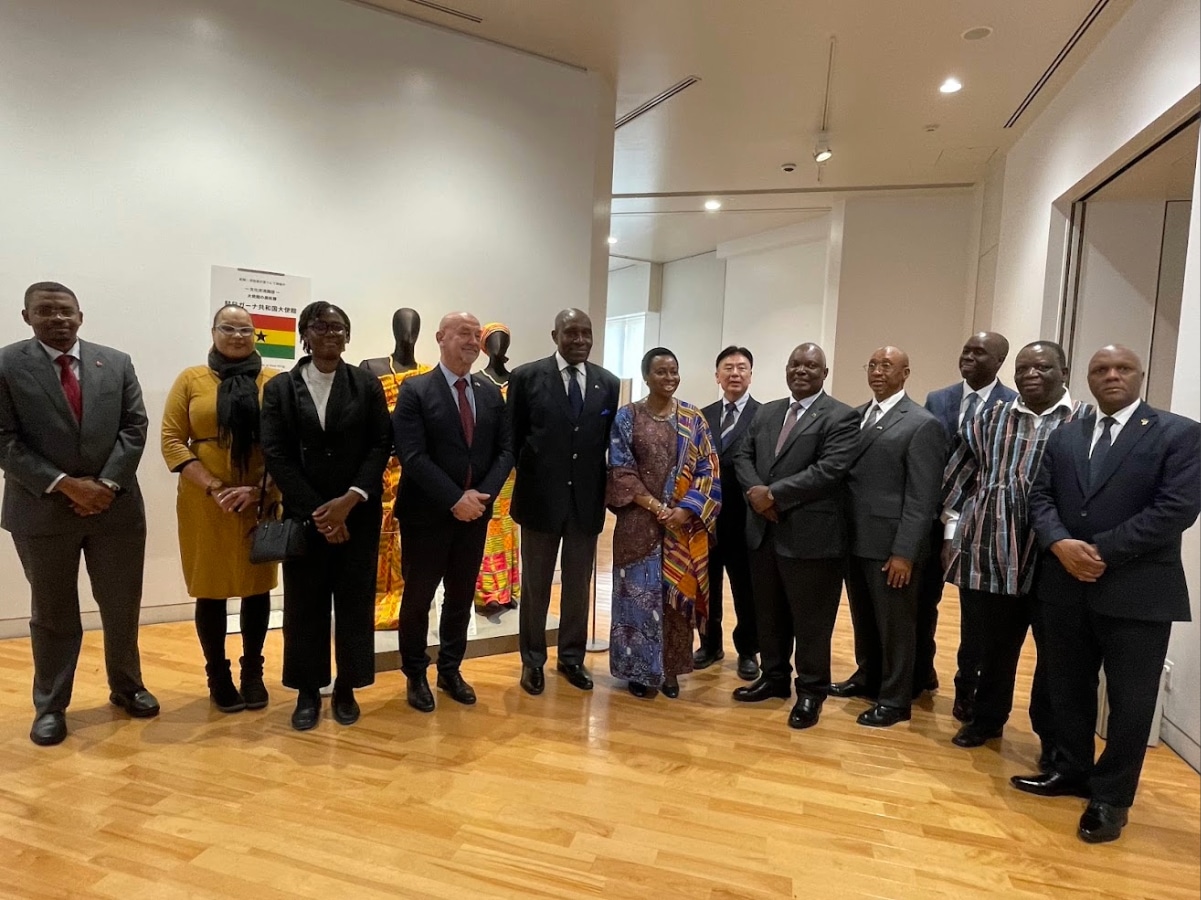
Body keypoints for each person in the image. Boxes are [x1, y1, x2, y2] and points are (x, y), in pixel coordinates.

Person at [1013, 345, 1200, 844]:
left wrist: (1100, 551)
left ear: (1141, 375)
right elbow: (1040, 497)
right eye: (1101, 369)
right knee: (1067, 686)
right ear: (1088, 378)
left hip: (1138, 591)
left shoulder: (1178, 434)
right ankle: (1071, 770)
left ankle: (1111, 799)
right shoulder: (1066, 434)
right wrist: (1059, 543)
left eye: (1122, 368)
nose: (1111, 375)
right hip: (1064, 586)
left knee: (1130, 702)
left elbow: (1177, 508)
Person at [0, 281, 157, 746]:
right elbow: (4, 439)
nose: (58, 319)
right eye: (45, 311)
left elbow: (135, 427)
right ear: (26, 317)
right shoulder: (6, 365)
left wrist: (105, 485)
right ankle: (50, 706)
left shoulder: (116, 362)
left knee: (122, 605)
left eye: (66, 310)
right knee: (52, 612)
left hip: (115, 509)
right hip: (42, 510)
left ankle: (127, 686)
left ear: (81, 316)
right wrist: (65, 484)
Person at [940, 341, 1087, 754]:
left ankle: (1052, 740)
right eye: (1023, 369)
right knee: (994, 647)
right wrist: (952, 534)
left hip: (1053, 558)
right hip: (994, 552)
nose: (1030, 375)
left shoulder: (1084, 421)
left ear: (1064, 372)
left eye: (1042, 367)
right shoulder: (991, 418)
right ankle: (986, 720)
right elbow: (958, 477)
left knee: (1055, 657)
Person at [260, 301, 391, 731]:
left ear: (348, 337)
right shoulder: (280, 388)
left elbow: (380, 444)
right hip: (306, 517)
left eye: (338, 327)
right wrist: (320, 511)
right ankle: (307, 691)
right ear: (304, 334)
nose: (330, 334)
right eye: (320, 326)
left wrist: (348, 501)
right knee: (305, 606)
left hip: (358, 515)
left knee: (354, 604)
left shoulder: (365, 384)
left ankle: (348, 687)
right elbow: (275, 453)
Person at [731, 343, 859, 729]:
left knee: (811, 621)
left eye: (811, 366)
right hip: (763, 532)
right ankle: (773, 678)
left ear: (825, 373)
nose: (801, 370)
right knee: (768, 614)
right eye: (795, 364)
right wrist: (756, 495)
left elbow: (828, 470)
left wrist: (773, 495)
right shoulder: (767, 412)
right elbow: (742, 456)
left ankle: (811, 691)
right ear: (786, 369)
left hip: (811, 538)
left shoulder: (841, 416)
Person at [161, 303, 279, 713]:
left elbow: (288, 443)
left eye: (246, 330)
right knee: (209, 590)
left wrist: (262, 488)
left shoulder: (273, 381)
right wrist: (214, 487)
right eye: (228, 328)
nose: (237, 336)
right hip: (205, 502)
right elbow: (172, 441)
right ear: (213, 332)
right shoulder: (191, 379)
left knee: (257, 588)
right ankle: (218, 675)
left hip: (260, 498)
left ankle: (253, 673)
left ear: (255, 335)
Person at [393, 312, 514, 712]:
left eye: (477, 335)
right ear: (440, 337)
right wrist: (453, 499)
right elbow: (412, 455)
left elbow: (505, 451)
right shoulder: (415, 390)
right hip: (425, 516)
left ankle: (450, 669)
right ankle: (415, 673)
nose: (473, 341)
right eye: (464, 333)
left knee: (461, 597)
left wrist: (481, 498)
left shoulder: (488, 392)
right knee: (418, 599)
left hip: (474, 515)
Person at [830, 346, 944, 727]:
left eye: (887, 366)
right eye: (873, 365)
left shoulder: (922, 423)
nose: (878, 372)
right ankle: (868, 676)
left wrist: (905, 553)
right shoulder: (857, 416)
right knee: (864, 618)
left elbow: (922, 498)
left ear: (905, 373)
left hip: (891, 546)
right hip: (855, 539)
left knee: (896, 626)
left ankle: (895, 699)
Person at [508, 309, 619, 695]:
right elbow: (513, 438)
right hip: (539, 502)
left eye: (586, 333)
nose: (580, 340)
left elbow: (605, 440)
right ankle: (532, 660)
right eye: (571, 333)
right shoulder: (526, 377)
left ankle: (571, 658)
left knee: (577, 585)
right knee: (536, 586)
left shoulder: (607, 383)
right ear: (555, 335)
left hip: (585, 502)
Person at [607, 348, 721, 699]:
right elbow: (620, 470)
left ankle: (671, 669)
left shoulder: (693, 418)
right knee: (637, 599)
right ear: (646, 376)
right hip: (637, 526)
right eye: (661, 372)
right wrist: (658, 507)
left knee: (675, 602)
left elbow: (708, 469)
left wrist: (685, 510)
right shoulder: (628, 416)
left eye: (674, 371)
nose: (669, 378)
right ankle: (638, 671)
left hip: (682, 529)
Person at [919, 332, 1016, 715]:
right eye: (966, 350)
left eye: (980, 352)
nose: (969, 357)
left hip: (984, 525)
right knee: (924, 602)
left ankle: (968, 688)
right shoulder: (938, 399)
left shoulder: (1013, 404)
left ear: (999, 361)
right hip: (934, 518)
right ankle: (921, 671)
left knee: (977, 616)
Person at [360, 308, 431, 631]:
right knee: (377, 534)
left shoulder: (428, 374)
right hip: (380, 467)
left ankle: (407, 602)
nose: (408, 334)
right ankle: (373, 599)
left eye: (413, 327)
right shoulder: (371, 368)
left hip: (414, 468)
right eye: (402, 326)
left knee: (410, 538)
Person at [696, 346, 761, 680]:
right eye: (728, 367)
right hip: (706, 520)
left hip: (746, 520)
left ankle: (748, 650)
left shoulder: (764, 416)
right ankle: (709, 645)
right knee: (707, 587)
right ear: (717, 375)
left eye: (742, 367)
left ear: (750, 374)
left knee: (746, 590)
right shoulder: (701, 415)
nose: (735, 373)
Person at [474, 322, 521, 616]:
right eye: (493, 340)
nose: (499, 346)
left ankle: (508, 589)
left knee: (508, 526)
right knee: (488, 525)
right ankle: (486, 591)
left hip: (512, 468)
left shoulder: (518, 381)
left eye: (504, 341)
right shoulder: (477, 381)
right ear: (484, 346)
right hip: (486, 465)